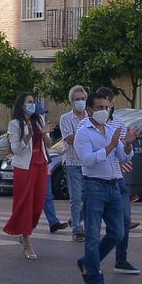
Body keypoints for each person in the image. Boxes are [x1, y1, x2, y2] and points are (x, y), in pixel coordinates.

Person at [74, 88, 139, 284]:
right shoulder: (83, 132)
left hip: (113, 186)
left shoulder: (111, 129)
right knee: (92, 235)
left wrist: (128, 144)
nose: (104, 111)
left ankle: (87, 261)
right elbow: (86, 160)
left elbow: (124, 157)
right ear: (90, 111)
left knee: (118, 232)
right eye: (100, 108)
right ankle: (94, 277)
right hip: (94, 185)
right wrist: (110, 147)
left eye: (107, 107)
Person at [3, 91, 50, 259]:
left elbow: (49, 145)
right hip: (24, 166)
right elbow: (15, 149)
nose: (32, 104)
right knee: (25, 203)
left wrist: (43, 133)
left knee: (38, 205)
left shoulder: (40, 119)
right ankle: (27, 239)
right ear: (21, 105)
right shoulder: (15, 124)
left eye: (33, 101)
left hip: (41, 164)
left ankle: (26, 231)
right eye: (29, 102)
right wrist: (28, 136)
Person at [58, 86, 88, 243]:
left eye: (82, 98)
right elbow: (69, 139)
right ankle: (77, 229)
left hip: (89, 163)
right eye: (77, 99)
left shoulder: (91, 117)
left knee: (90, 197)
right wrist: (87, 136)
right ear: (71, 102)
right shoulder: (66, 118)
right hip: (73, 162)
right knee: (76, 197)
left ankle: (76, 219)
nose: (80, 102)